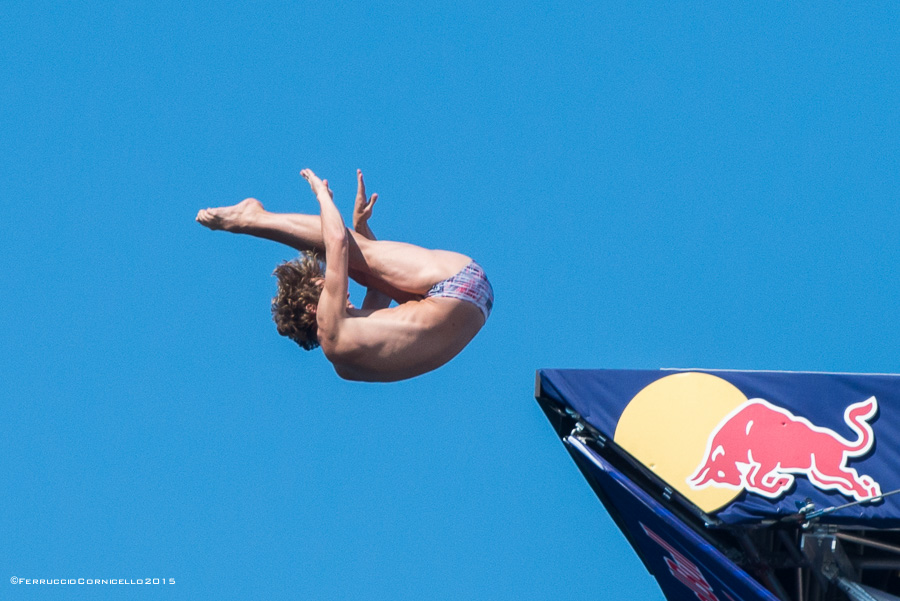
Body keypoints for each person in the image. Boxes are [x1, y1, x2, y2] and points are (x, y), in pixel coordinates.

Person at [196, 168, 493, 382]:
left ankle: (255, 219)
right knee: (351, 252)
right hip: (454, 283)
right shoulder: (330, 322)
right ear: (314, 308)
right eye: (325, 287)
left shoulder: (345, 363)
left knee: (364, 266)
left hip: (474, 306)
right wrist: (323, 196)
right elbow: (336, 241)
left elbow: (382, 290)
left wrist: (362, 227)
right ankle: (253, 219)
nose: (345, 292)